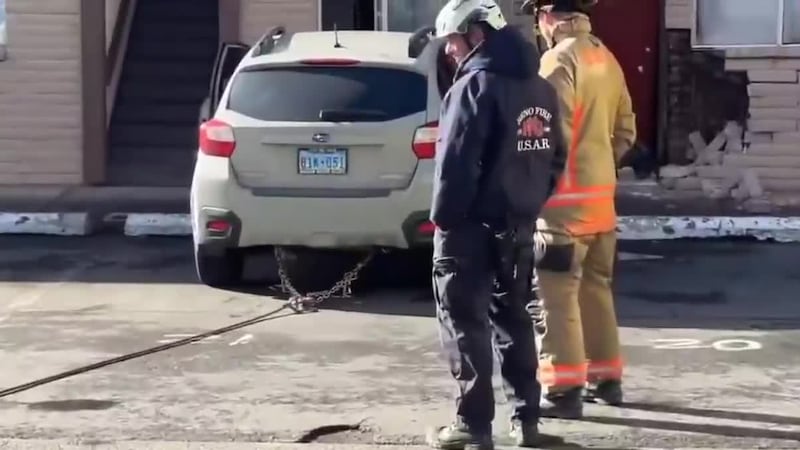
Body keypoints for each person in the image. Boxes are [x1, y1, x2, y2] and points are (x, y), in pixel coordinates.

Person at [426, 1, 567, 448]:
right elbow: (555, 160)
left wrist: (443, 222)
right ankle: (527, 424)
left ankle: (473, 425)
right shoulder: (540, 89)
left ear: (476, 34)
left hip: (469, 231)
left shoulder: (474, 87)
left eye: (452, 41)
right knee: (515, 322)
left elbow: (455, 166)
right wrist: (526, 206)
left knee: (464, 324)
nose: (449, 52)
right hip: (519, 227)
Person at [520, 0, 637, 419]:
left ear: (548, 15)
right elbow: (626, 130)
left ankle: (563, 389)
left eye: (537, 16)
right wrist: (600, 170)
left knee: (557, 300)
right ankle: (607, 379)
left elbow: (547, 135)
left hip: (561, 210)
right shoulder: (606, 57)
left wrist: (532, 186)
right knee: (596, 292)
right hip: (601, 205)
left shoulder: (556, 61)